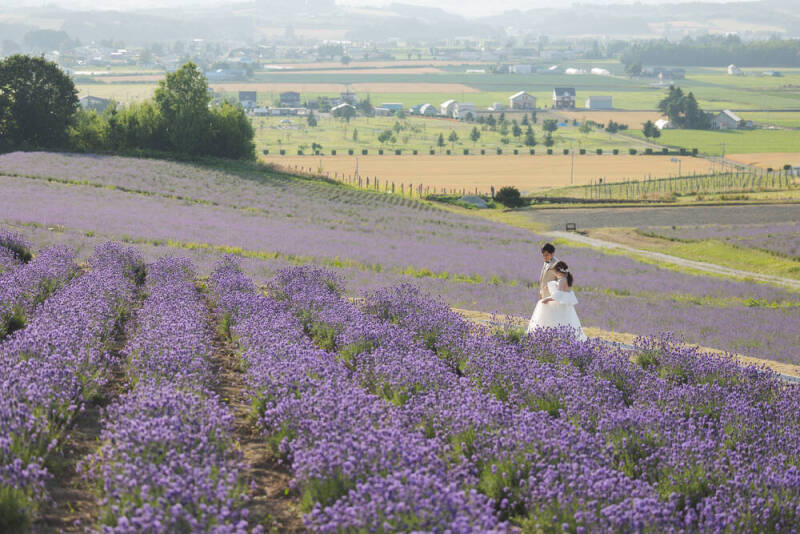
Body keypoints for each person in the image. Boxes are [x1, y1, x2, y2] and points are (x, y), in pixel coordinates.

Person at [527, 261, 587, 341]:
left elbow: (559, 295)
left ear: (559, 271)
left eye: (555, 272)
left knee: (552, 317)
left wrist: (547, 299)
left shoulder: (562, 280)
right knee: (565, 321)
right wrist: (552, 285)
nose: (555, 274)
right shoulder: (567, 279)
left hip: (559, 305)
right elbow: (563, 289)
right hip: (565, 306)